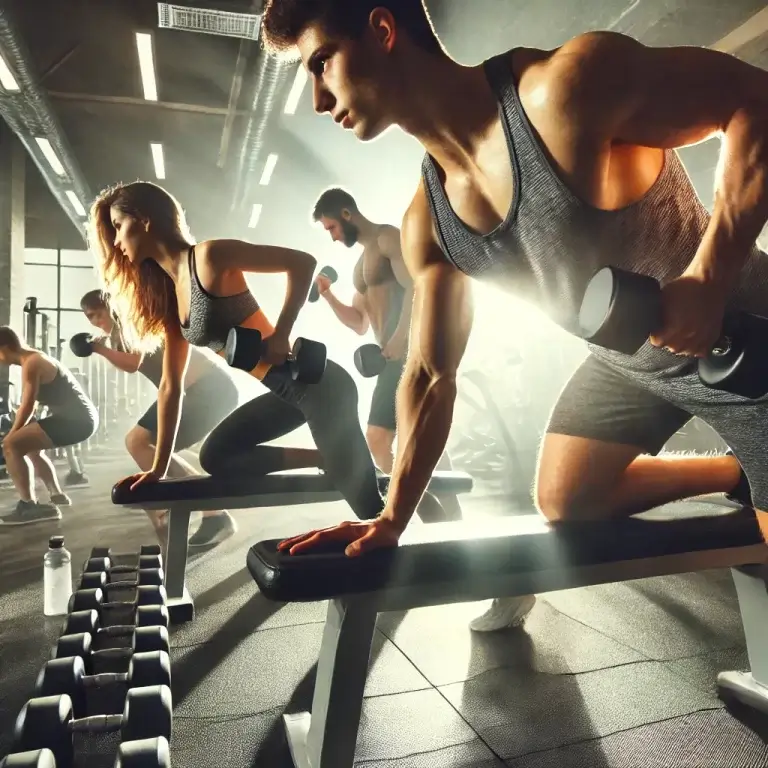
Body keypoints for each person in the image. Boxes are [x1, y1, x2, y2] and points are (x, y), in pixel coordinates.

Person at [262, 0, 768, 632]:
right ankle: (732, 472)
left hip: (745, 338)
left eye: (321, 63)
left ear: (383, 29)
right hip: (629, 365)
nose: (316, 98)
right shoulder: (429, 222)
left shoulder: (564, 88)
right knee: (564, 498)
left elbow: (753, 99)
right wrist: (393, 516)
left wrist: (710, 278)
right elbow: (428, 373)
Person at [88, 181, 385, 529]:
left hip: (320, 387)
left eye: (120, 227)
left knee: (368, 509)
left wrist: (282, 333)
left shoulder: (210, 256)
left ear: (144, 220)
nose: (117, 242)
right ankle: (327, 457)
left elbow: (302, 263)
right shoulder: (173, 296)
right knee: (216, 455)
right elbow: (170, 387)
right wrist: (157, 468)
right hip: (285, 394)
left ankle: (410, 511)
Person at [79, 290, 241, 548]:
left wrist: (98, 348)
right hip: (200, 392)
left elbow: (133, 362)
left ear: (111, 307)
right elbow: (132, 362)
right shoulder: (120, 334)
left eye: (97, 314)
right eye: (90, 318)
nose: (95, 321)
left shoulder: (133, 323)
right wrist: (103, 345)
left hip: (207, 390)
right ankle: (209, 514)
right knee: (148, 449)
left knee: (137, 441)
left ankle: (177, 510)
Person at [311, 187, 411, 472]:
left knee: (377, 440)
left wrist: (400, 337)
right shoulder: (359, 266)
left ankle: (404, 509)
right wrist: (328, 295)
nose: (333, 236)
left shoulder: (387, 238)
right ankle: (441, 512)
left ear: (346, 214)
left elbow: (417, 288)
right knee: (413, 436)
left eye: (332, 227)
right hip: (389, 357)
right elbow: (359, 323)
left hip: (406, 354)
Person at [0, 327, 98, 524]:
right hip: (79, 419)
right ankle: (56, 494)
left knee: (12, 445)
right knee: (31, 449)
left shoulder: (32, 363)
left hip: (77, 421)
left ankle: (29, 506)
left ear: (4, 348)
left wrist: (12, 434)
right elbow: (31, 404)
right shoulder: (34, 359)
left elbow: (28, 405)